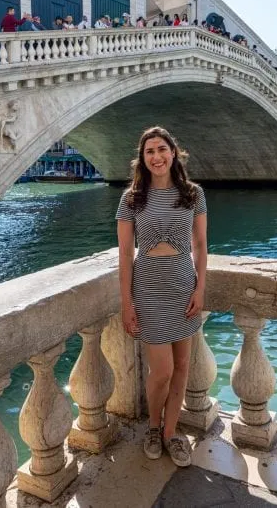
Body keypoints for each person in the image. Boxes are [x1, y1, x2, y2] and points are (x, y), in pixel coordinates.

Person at [116, 126, 207, 468]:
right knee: (163, 371)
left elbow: (200, 245)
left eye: (162, 149)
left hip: (183, 287)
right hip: (149, 290)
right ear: (142, 158)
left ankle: (170, 433)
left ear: (174, 152)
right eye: (149, 151)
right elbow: (125, 255)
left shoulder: (193, 194)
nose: (156, 156)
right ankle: (153, 427)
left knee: (182, 366)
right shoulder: (131, 199)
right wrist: (127, 304)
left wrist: (200, 288)